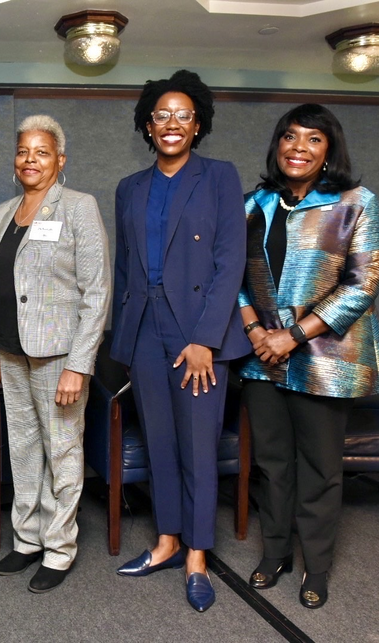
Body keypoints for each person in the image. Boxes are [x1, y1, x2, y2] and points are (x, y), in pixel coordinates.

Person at [110, 70, 249, 612]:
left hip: (196, 334)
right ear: (148, 126)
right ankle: (166, 541)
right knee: (160, 444)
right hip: (144, 330)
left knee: (197, 446)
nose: (172, 124)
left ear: (198, 125)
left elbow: (229, 261)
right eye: (161, 115)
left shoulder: (219, 177)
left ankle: (197, 554)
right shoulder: (129, 187)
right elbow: (125, 269)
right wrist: (122, 336)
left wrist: (205, 340)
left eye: (183, 115)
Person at [239, 104, 379, 609]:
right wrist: (258, 330)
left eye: (313, 139)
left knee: (320, 466)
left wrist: (292, 335)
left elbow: (362, 284)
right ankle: (275, 552)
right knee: (272, 462)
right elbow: (233, 280)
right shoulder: (254, 203)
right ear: (277, 145)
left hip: (327, 358)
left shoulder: (355, 201)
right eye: (290, 136)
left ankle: (316, 567)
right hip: (261, 357)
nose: (298, 147)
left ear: (329, 150)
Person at [0, 115, 110, 593]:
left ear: (60, 160)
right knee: (24, 448)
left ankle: (59, 548)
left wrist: (80, 364)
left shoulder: (77, 208)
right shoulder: (1, 213)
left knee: (62, 449)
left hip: (58, 357)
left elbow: (97, 292)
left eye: (41, 152)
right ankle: (28, 539)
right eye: (22, 152)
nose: (29, 160)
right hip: (10, 354)